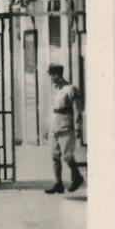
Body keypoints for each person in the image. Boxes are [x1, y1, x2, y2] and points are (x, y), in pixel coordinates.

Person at [44, 64, 85, 194]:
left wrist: (78, 127)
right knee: (54, 156)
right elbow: (52, 109)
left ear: (57, 75)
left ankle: (77, 177)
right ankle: (58, 184)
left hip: (66, 126)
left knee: (67, 156)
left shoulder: (71, 89)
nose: (51, 78)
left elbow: (78, 109)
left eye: (52, 75)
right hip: (54, 125)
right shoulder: (54, 89)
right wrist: (47, 127)